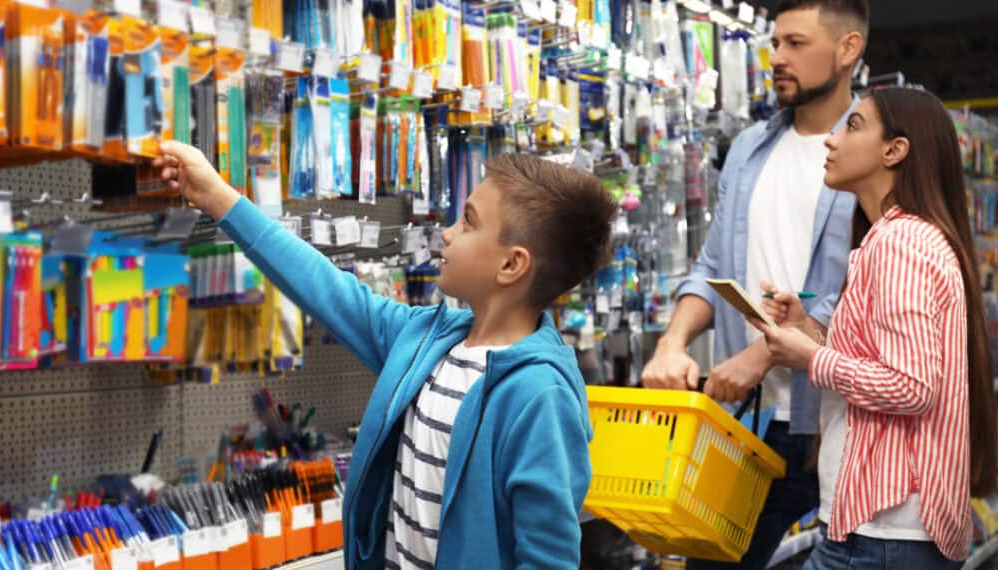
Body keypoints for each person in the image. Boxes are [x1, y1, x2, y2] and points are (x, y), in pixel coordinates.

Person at [152, 144, 618, 569]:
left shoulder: (540, 395)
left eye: (469, 221)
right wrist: (216, 196)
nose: (448, 233)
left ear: (512, 265)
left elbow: (549, 556)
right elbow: (325, 287)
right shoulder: (426, 341)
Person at [641, 0, 868, 567]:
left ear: (848, 50)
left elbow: (869, 294)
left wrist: (763, 356)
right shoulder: (748, 149)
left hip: (834, 425)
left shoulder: (874, 150)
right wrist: (672, 343)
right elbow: (711, 267)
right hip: (743, 421)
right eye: (775, 44)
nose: (778, 58)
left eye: (796, 43)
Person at [753, 87, 998, 568]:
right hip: (887, 529)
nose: (831, 140)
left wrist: (810, 359)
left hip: (881, 531)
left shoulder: (900, 244)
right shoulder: (905, 237)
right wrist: (808, 330)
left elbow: (910, 385)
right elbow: (886, 361)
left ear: (895, 150)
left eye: (853, 125)